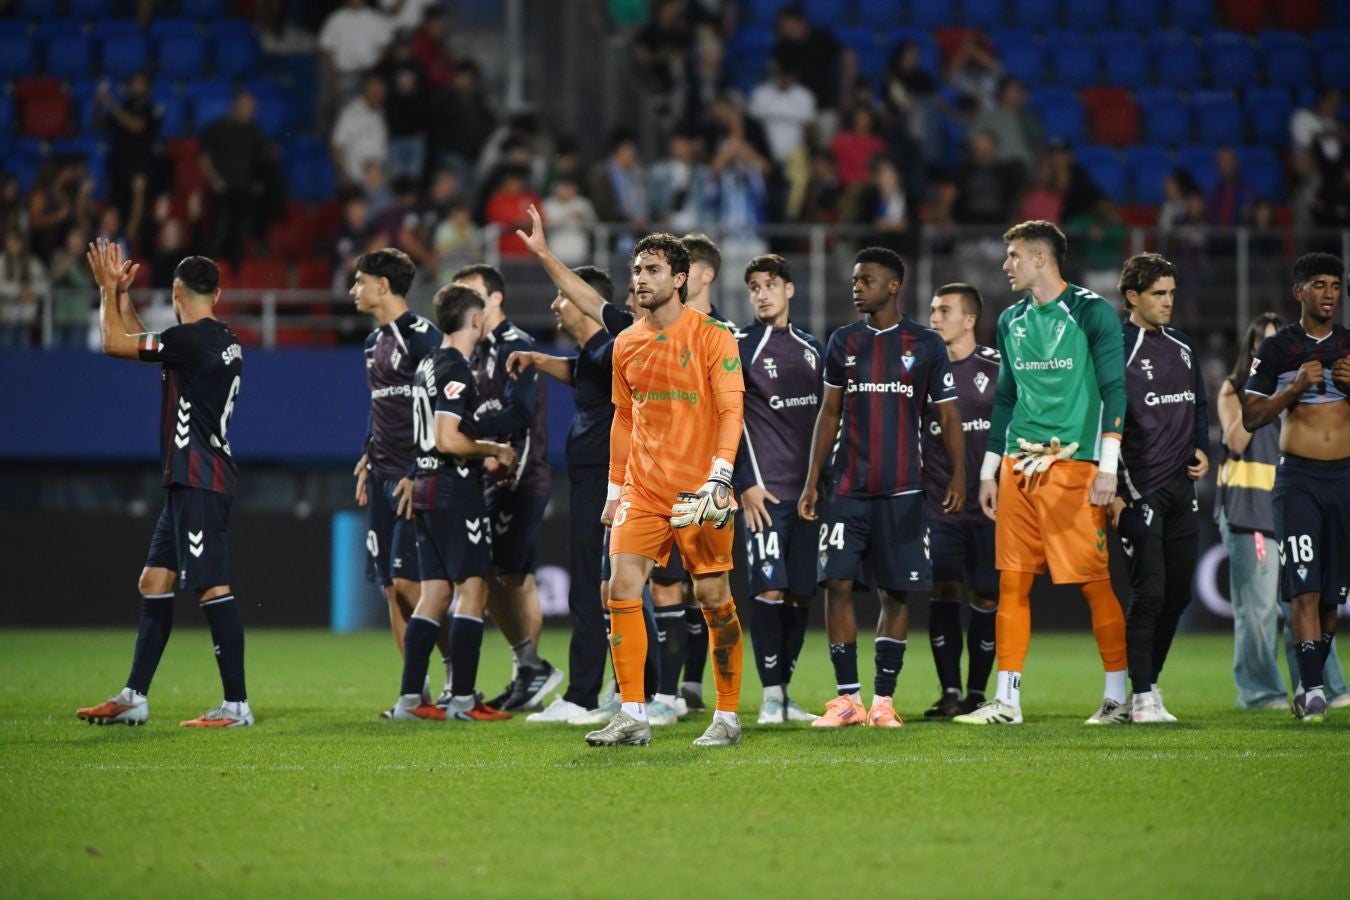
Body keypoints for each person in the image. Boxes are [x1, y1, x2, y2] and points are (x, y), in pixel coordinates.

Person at [954, 220, 1129, 726]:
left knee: (1094, 583)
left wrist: (1108, 466)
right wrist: (990, 470)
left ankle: (1117, 699)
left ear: (1039, 259)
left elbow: (1115, 390)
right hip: (1017, 466)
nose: (1005, 265)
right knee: (1011, 584)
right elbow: (1006, 398)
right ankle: (1007, 702)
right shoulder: (1010, 320)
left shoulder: (1092, 312)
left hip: (1073, 467)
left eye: (1012, 256)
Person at [77, 242, 251, 727]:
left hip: (199, 476)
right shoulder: (219, 338)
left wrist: (107, 290)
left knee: (212, 586)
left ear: (175, 291)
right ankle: (135, 696)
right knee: (154, 581)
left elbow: (115, 343)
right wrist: (123, 300)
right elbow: (140, 336)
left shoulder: (189, 341)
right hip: (189, 479)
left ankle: (236, 706)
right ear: (216, 293)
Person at [585, 232, 747, 748]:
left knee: (712, 595)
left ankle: (727, 715)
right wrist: (615, 489)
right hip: (644, 490)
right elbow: (624, 420)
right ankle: (633, 714)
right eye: (636, 270)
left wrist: (721, 475)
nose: (639, 280)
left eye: (652, 270)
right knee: (620, 587)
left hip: (702, 489)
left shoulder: (713, 335)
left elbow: (730, 411)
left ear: (680, 279)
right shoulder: (625, 344)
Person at [799, 247, 965, 729]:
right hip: (847, 489)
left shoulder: (926, 344)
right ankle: (848, 699)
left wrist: (957, 474)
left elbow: (948, 415)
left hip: (903, 493)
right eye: (855, 280)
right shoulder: (843, 341)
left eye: (866, 280)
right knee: (838, 584)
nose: (856, 287)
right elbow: (828, 414)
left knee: (896, 593)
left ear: (893, 286)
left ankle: (884, 701)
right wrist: (812, 483)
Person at [387, 283, 515, 722]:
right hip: (452, 490)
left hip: (424, 486)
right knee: (474, 588)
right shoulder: (456, 368)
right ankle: (462, 698)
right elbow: (447, 439)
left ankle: (409, 699)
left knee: (435, 594)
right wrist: (493, 450)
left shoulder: (426, 364)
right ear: (475, 319)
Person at [509, 211, 618, 724]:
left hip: (607, 482)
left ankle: (587, 695)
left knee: (596, 588)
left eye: (562, 296)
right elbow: (582, 374)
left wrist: (543, 254)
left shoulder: (614, 347)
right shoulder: (598, 354)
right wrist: (537, 361)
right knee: (603, 586)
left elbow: (594, 369)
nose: (556, 305)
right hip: (595, 479)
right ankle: (611, 689)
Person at [1216, 313, 1350, 709]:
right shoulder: (1236, 389)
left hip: (1300, 495)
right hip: (1251, 508)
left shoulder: (1319, 384)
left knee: (1309, 596)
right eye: (1264, 344)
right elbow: (1239, 438)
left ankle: (1319, 686)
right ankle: (1261, 692)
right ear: (1253, 349)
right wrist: (1283, 390)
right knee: (1258, 612)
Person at [1242, 252, 1350, 724]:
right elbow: (1250, 417)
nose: (1329, 294)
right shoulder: (1278, 349)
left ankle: (1313, 684)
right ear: (1299, 292)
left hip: (1345, 479)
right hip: (1299, 479)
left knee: (1332, 596)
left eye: (1335, 285)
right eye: (1319, 284)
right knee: (1303, 589)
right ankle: (1312, 691)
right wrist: (1292, 390)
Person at [453, 263, 563, 711]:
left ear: (496, 298)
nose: (466, 302)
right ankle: (528, 668)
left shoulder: (515, 345)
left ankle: (530, 672)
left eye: (473, 293)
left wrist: (472, 430)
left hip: (520, 474)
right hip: (492, 472)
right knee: (499, 572)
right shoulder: (474, 351)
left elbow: (522, 415)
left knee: (514, 577)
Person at [349, 249, 451, 709]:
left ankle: (454, 673)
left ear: (383, 286)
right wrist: (367, 455)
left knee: (413, 585)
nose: (353, 290)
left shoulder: (424, 337)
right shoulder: (373, 344)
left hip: (416, 480)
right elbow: (381, 408)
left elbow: (435, 410)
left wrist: (417, 471)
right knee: (392, 588)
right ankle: (417, 692)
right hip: (382, 476)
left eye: (359, 281)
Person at [1111, 253, 1209, 723]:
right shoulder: (1114, 347)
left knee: (1178, 594)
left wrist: (1201, 448)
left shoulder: (1184, 347)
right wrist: (1111, 486)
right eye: (1158, 294)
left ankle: (1148, 689)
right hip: (1138, 488)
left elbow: (1199, 405)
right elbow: (1100, 417)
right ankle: (1141, 695)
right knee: (1148, 592)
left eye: (1171, 293)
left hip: (1180, 489)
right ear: (1133, 296)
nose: (1168, 302)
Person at [734, 254, 824, 724]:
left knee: (802, 593)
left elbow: (828, 422)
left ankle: (784, 692)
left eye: (770, 284)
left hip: (808, 496)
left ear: (790, 289)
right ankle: (771, 697)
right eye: (754, 287)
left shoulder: (813, 349)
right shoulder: (739, 345)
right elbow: (724, 421)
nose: (762, 294)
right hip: (764, 498)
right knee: (769, 591)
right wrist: (745, 485)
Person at [921, 284, 1002, 717]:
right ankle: (950, 693)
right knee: (943, 588)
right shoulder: (921, 372)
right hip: (939, 504)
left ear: (969, 320)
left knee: (987, 594)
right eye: (933, 310)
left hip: (990, 506)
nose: (934, 318)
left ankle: (977, 693)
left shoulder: (997, 366)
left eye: (944, 311)